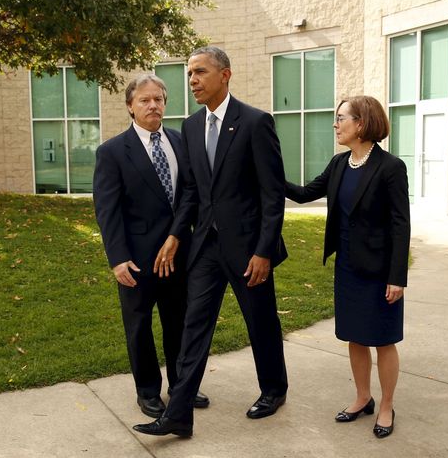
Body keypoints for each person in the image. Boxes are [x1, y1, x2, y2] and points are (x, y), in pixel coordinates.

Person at [133, 46, 289, 438]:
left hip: (248, 249)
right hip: (204, 248)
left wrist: (264, 251)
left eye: (200, 72)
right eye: (189, 75)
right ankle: (179, 416)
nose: (193, 81)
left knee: (260, 323)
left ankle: (274, 389)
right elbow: (190, 191)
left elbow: (272, 196)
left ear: (226, 75)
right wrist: (173, 236)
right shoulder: (189, 126)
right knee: (193, 329)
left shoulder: (255, 122)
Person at [285, 96, 410, 439]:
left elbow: (401, 225)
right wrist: (266, 174)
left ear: (362, 123)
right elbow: (303, 193)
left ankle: (386, 405)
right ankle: (362, 397)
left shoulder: (390, 168)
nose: (335, 124)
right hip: (349, 269)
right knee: (355, 337)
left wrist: (397, 277)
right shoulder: (339, 164)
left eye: (341, 118)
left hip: (381, 273)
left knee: (383, 340)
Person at [93, 74, 208, 420]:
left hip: (179, 254)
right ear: (130, 106)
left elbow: (190, 194)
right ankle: (147, 391)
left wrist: (179, 236)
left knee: (179, 323)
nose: (153, 105)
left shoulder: (179, 141)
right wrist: (118, 260)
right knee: (139, 327)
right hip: (138, 260)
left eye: (158, 99)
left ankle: (180, 384)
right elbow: (107, 211)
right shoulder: (112, 152)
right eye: (144, 100)